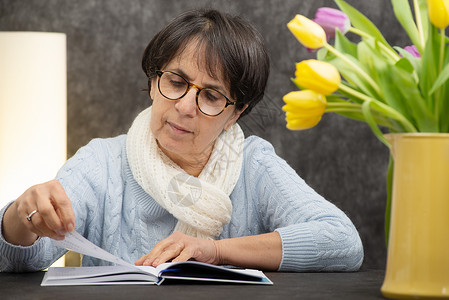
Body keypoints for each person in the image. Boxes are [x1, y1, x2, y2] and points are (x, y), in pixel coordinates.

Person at [0, 9, 363, 272]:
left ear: (235, 112)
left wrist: (215, 251)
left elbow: (342, 242)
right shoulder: (102, 162)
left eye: (210, 96)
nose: (186, 107)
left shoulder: (253, 165)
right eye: (176, 82)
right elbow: (19, 258)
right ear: (154, 81)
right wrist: (19, 216)